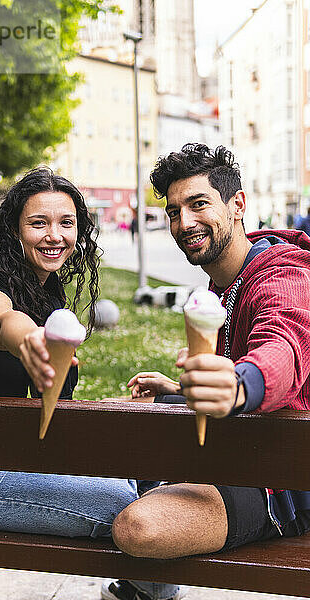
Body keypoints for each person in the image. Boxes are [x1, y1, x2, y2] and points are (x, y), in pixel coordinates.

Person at [102, 144, 310, 600]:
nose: (184, 223)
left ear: (237, 205)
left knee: (139, 526)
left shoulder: (282, 275)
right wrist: (180, 388)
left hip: (285, 478)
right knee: (127, 413)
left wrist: (239, 385)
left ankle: (147, 581)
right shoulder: (222, 283)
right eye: (174, 211)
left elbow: (285, 347)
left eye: (199, 204)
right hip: (241, 445)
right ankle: (149, 587)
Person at [0, 167, 140, 537]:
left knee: (145, 467)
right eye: (38, 223)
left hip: (10, 454)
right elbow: (0, 321)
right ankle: (148, 595)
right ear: (14, 229)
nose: (54, 235)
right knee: (131, 504)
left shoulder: (43, 289)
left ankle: (141, 594)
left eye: (66, 223)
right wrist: (29, 339)